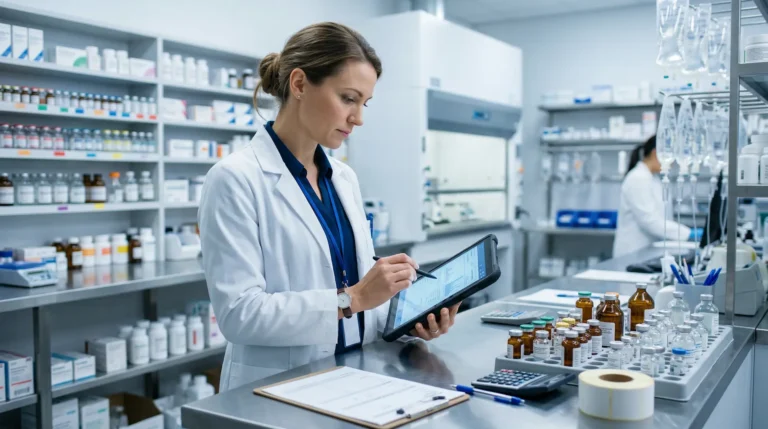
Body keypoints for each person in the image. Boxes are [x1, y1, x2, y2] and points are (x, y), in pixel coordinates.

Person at [198, 22, 461, 392]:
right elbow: (239, 315)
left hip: (356, 376)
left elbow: (354, 284)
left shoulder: (343, 178)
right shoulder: (234, 179)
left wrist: (409, 319)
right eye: (348, 98)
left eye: (364, 103)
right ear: (300, 84)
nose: (359, 118)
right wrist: (352, 298)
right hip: (278, 390)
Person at [613, 135, 695, 257]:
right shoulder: (638, 178)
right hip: (633, 251)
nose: (672, 163)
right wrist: (689, 234)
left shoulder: (654, 179)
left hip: (649, 250)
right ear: (656, 153)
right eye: (671, 157)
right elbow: (649, 221)